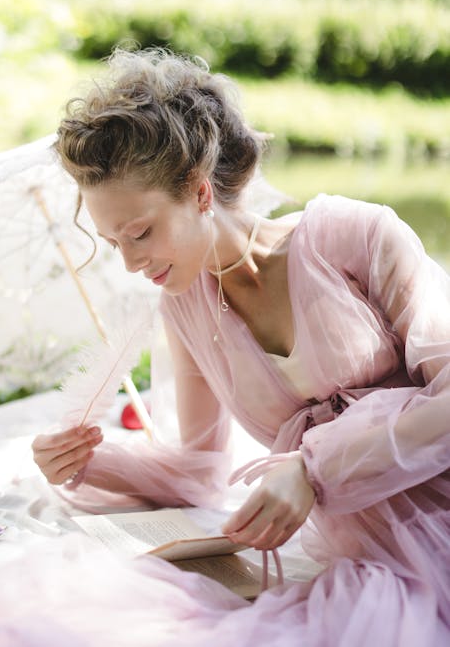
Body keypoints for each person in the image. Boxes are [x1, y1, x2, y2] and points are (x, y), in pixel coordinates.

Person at [32, 48, 449, 645]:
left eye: (140, 233)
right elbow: (200, 470)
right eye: (111, 241)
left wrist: (315, 467)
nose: (129, 263)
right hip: (365, 553)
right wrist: (85, 461)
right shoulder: (185, 305)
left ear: (201, 193)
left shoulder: (355, 235)